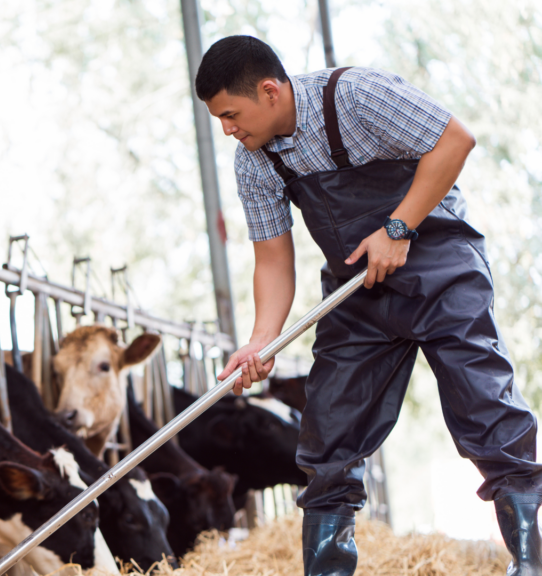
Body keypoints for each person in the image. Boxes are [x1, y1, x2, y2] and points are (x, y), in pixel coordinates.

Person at [198, 35, 542, 576]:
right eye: (220, 119)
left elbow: (455, 141)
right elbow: (273, 260)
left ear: (269, 92)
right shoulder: (254, 162)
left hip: (440, 271)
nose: (227, 130)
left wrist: (398, 228)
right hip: (357, 291)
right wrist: (262, 341)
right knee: (328, 434)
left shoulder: (356, 95)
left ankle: (530, 561)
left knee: (485, 409)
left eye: (230, 115)